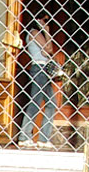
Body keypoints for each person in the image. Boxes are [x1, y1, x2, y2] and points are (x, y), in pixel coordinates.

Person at [18, 14, 59, 149]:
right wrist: (46, 31)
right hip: (39, 68)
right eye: (44, 19)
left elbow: (48, 50)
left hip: (44, 70)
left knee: (51, 103)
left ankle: (44, 138)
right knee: (35, 102)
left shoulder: (38, 33)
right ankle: (24, 136)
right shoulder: (34, 32)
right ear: (37, 20)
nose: (46, 22)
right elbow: (49, 49)